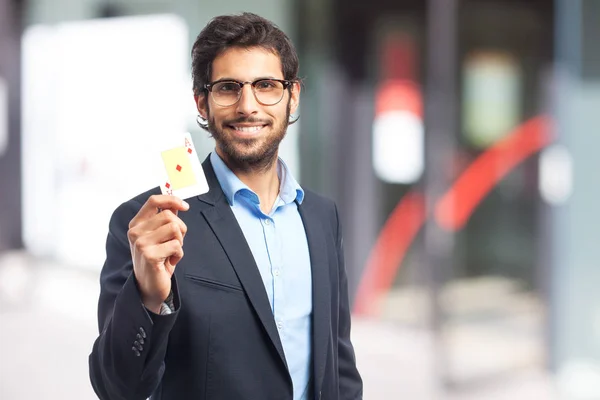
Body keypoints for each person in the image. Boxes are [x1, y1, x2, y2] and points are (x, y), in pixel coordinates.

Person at [89, 12, 363, 400]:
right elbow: (118, 389)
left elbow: (339, 364)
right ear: (202, 102)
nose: (248, 106)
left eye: (266, 85)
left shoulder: (322, 217)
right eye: (228, 88)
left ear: (293, 96)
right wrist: (148, 297)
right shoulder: (152, 224)